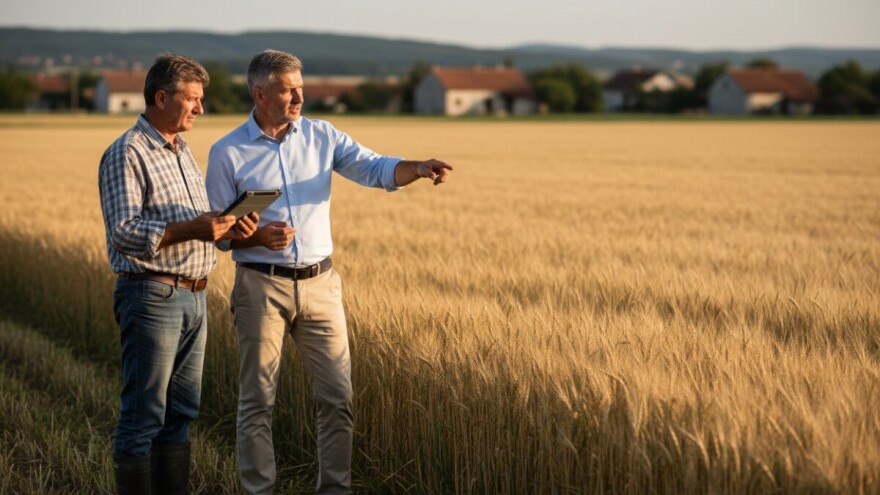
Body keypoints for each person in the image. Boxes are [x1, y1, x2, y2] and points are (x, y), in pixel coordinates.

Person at [205, 49, 452, 495]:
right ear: (260, 94)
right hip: (261, 287)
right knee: (257, 401)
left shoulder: (323, 136)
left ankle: (334, 490)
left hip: (321, 286)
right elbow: (220, 234)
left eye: (301, 86)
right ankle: (259, 490)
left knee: (338, 400)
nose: (301, 95)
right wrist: (258, 237)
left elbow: (374, 168)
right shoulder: (227, 153)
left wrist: (415, 167)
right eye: (289, 89)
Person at [98, 53, 258, 495]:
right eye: (192, 99)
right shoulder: (127, 152)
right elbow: (124, 233)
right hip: (151, 297)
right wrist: (194, 227)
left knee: (181, 414)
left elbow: (190, 224)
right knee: (144, 415)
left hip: (194, 297)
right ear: (161, 97)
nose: (200, 108)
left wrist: (228, 226)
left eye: (200, 99)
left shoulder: (182, 150)